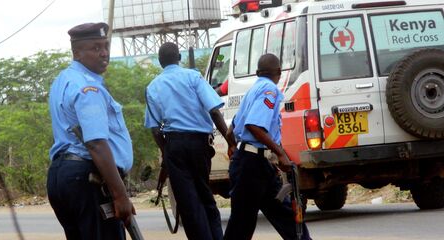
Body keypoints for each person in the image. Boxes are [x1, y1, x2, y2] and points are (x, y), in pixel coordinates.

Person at [47, 22, 135, 240]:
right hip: (87, 177)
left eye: (105, 46)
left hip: (63, 174)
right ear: (77, 53)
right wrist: (120, 195)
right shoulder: (88, 88)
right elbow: (96, 143)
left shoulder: (63, 80)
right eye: (95, 48)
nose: (104, 53)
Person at [144, 42, 237, 240]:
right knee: (205, 196)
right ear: (179, 57)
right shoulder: (193, 77)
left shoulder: (153, 87)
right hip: (199, 144)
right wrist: (231, 142)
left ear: (160, 62)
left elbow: (154, 129)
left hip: (174, 145)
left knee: (189, 204)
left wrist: (167, 152)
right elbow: (214, 111)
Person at [224, 54, 311, 240]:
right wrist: (280, 153)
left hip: (256, 163)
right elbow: (253, 125)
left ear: (257, 73)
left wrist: (234, 149)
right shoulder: (269, 90)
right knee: (242, 224)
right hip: (251, 166)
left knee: (286, 214)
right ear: (279, 72)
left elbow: (231, 131)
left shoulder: (253, 90)